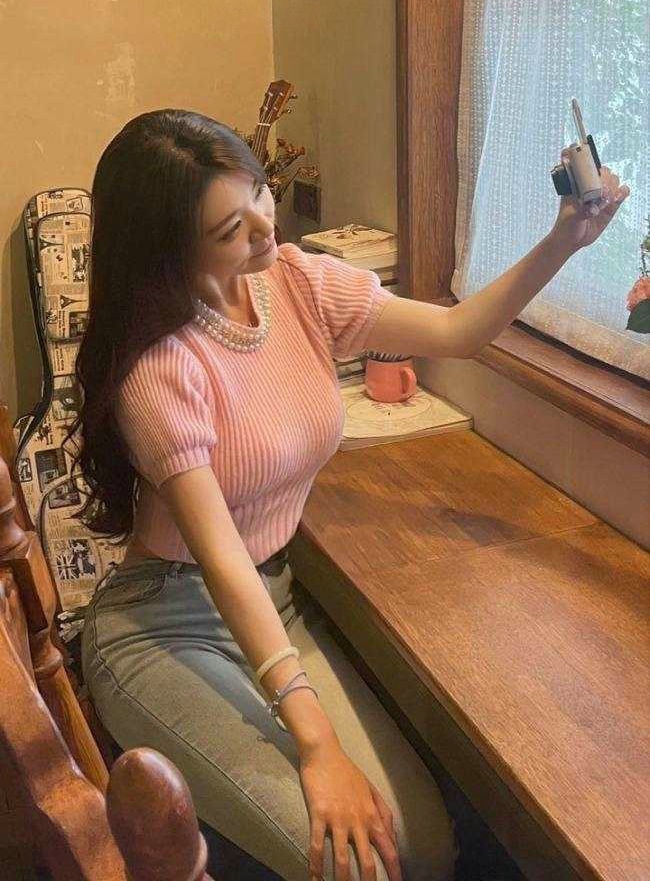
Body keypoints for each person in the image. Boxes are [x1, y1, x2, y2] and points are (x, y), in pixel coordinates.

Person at [78, 109, 629, 881]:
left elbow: (458, 332)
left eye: (259, 193)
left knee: (425, 845)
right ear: (171, 250)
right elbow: (225, 563)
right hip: (167, 625)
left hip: (277, 600)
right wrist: (318, 746)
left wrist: (564, 240)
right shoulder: (160, 368)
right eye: (232, 228)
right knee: (363, 864)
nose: (266, 227)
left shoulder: (298, 282)